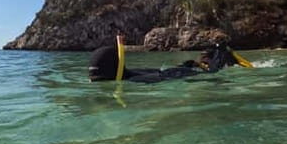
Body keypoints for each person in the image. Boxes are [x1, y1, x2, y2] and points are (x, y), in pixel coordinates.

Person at [88, 37, 252, 83]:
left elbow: (165, 77)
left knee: (213, 72)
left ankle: (222, 51)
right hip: (168, 72)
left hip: (173, 74)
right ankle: (209, 56)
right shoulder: (130, 76)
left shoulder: (136, 80)